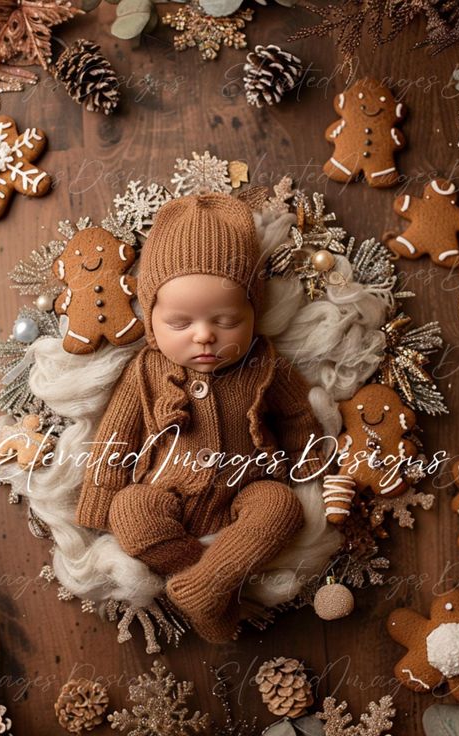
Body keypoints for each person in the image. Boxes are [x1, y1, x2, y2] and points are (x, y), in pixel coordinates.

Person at [75, 193, 326, 642]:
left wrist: (306, 460)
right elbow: (117, 436)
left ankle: (207, 585)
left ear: (254, 311)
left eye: (227, 319)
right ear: (151, 320)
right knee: (128, 511)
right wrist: (101, 495)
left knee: (282, 507)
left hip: (248, 487)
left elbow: (295, 414)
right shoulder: (148, 371)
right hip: (165, 492)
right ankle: (209, 584)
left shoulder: (264, 364)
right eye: (180, 323)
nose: (205, 335)